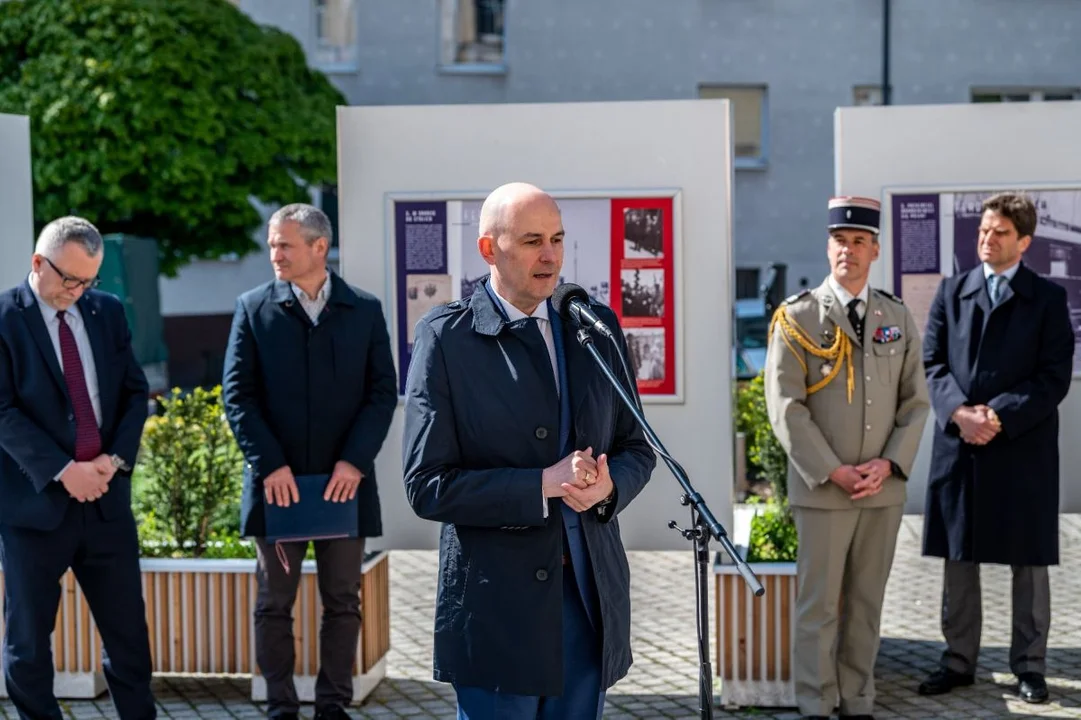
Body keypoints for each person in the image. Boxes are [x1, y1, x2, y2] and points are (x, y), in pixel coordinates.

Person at [402, 182, 656, 719]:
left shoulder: (594, 326)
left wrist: (611, 488)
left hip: (588, 599)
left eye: (558, 239)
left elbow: (639, 446)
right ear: (490, 250)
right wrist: (540, 484)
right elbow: (426, 485)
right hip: (497, 610)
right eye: (532, 240)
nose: (550, 255)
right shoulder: (446, 338)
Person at [222, 203, 397, 720]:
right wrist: (270, 465)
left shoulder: (363, 310)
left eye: (284, 244)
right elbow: (238, 396)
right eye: (272, 244)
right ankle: (280, 708)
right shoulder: (253, 308)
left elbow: (381, 393)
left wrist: (353, 463)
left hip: (344, 488)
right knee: (274, 603)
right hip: (278, 489)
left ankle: (333, 707)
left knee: (343, 601)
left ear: (319, 247)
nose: (274, 253)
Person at [764, 197, 930, 720]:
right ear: (828, 246)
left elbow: (915, 401)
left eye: (859, 241)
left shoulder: (896, 316)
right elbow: (785, 405)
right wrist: (833, 469)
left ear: (875, 250)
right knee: (818, 609)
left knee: (865, 606)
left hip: (881, 489)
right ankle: (816, 703)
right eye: (840, 240)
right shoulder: (798, 317)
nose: (849, 250)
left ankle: (858, 701)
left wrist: (888, 463)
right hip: (824, 489)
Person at [918, 192, 1074, 704]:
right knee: (958, 558)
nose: (987, 239)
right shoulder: (951, 291)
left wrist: (997, 415)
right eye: (984, 230)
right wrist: (961, 413)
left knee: (1028, 560)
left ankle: (1029, 666)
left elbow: (1052, 378)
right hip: (961, 445)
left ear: (1024, 241)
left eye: (1000, 232)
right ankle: (958, 660)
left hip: (1022, 448)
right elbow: (933, 363)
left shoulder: (1048, 301)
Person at [0, 217, 156, 720]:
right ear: (37, 263)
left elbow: (135, 392)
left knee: (129, 637)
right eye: (68, 279)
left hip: (106, 503)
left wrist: (112, 461)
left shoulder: (106, 311)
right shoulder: (4, 317)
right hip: (33, 508)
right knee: (27, 645)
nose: (77, 291)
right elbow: (2, 410)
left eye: (88, 280)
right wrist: (65, 470)